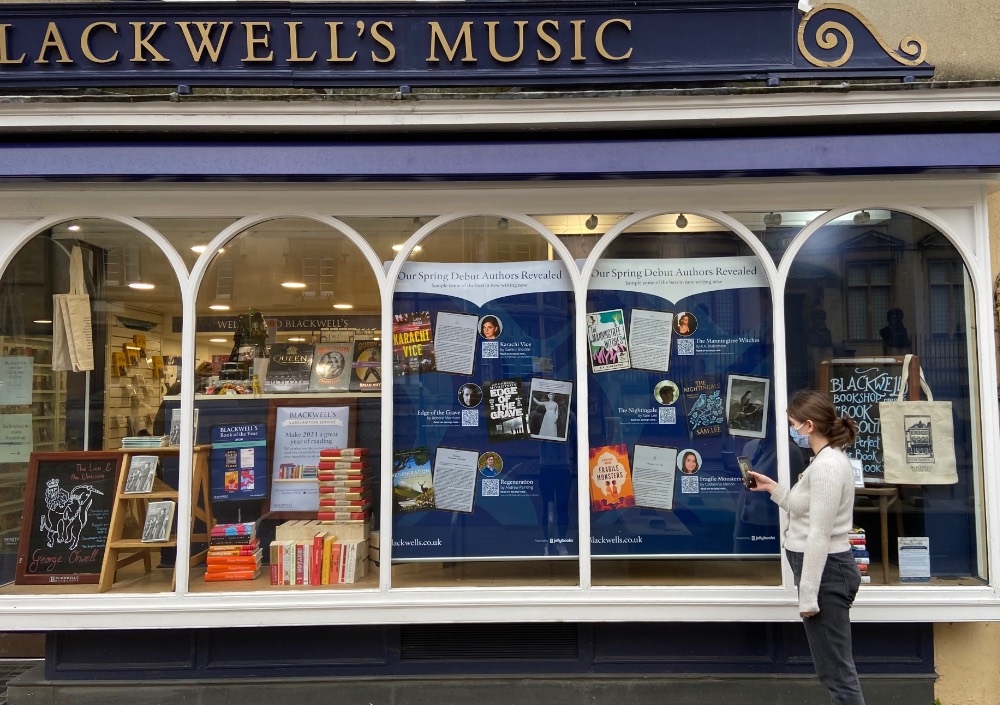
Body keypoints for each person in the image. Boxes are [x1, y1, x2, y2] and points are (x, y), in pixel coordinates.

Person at [748, 390, 865, 705]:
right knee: (833, 670)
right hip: (824, 572)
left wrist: (808, 595)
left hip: (827, 574)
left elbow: (819, 534)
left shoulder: (827, 466)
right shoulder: (823, 461)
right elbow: (804, 508)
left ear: (808, 425)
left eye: (792, 424)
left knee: (837, 674)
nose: (791, 430)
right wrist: (773, 488)